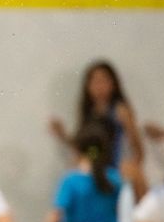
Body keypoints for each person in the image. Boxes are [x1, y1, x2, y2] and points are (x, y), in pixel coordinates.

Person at [49, 60, 146, 196]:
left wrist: (131, 167)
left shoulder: (120, 111)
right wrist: (63, 135)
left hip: (115, 166)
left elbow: (138, 150)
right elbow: (83, 148)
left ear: (113, 84)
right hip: (93, 165)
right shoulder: (87, 113)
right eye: (94, 82)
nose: (99, 86)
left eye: (103, 81)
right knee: (73, 171)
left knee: (133, 175)